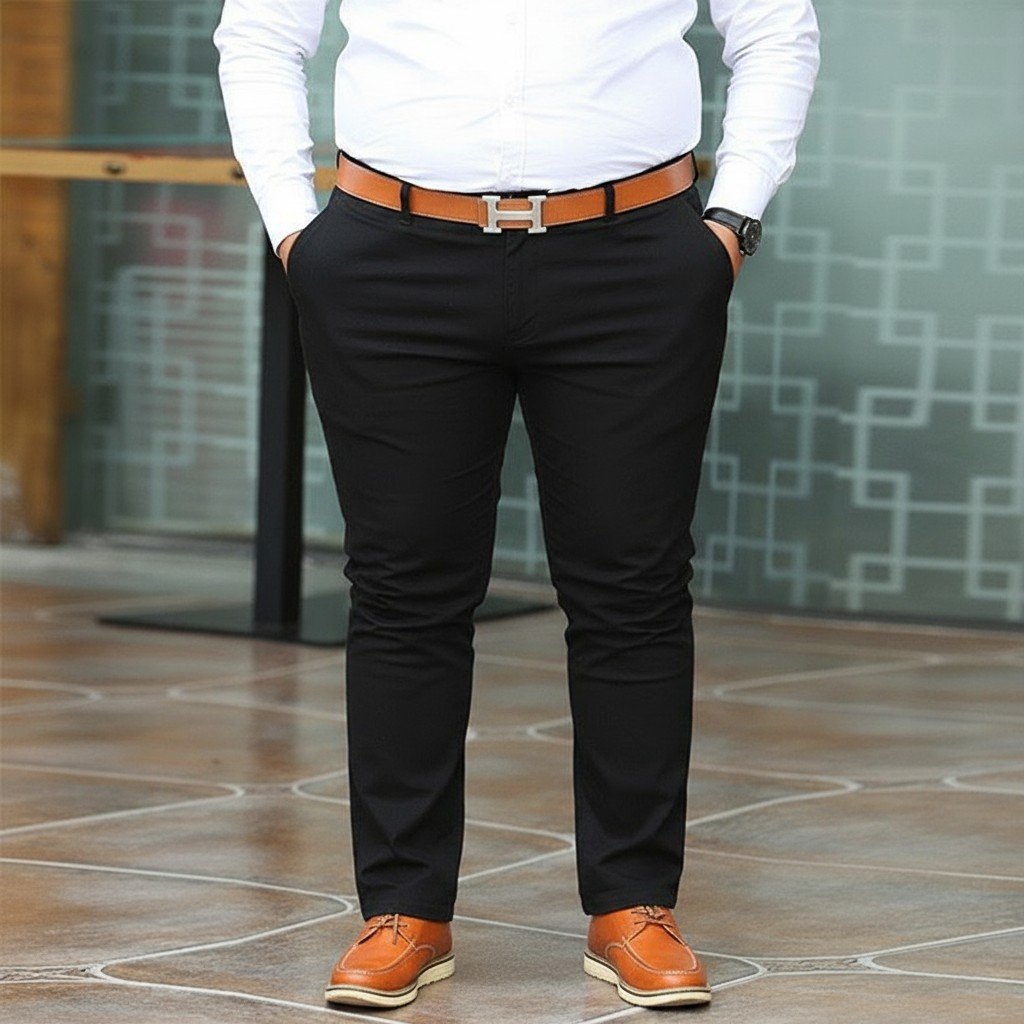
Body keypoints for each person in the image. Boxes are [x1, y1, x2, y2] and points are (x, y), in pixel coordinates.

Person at [213, 0, 820, 1010]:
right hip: (391, 251)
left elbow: (775, 28)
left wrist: (733, 219)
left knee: (633, 582)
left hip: (633, 251)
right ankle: (402, 908)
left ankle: (633, 905)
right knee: (402, 587)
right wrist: (292, 225)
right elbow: (261, 34)